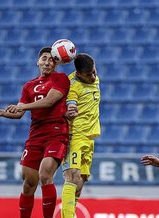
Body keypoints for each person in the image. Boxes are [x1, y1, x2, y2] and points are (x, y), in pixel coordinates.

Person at [0, 47, 70, 218]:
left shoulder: (60, 79)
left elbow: (49, 101)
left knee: (45, 174)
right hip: (35, 136)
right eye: (44, 59)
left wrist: (23, 106)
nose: (47, 62)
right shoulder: (29, 86)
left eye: (51, 60)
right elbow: (18, 113)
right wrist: (3, 112)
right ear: (38, 61)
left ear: (56, 63)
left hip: (56, 132)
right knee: (29, 183)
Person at [61, 53, 101, 218]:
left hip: (89, 138)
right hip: (75, 136)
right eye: (88, 75)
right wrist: (70, 111)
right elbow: (70, 104)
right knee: (72, 176)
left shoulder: (94, 76)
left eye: (94, 72)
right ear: (78, 74)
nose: (93, 77)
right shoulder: (72, 86)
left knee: (81, 180)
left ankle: (71, 213)